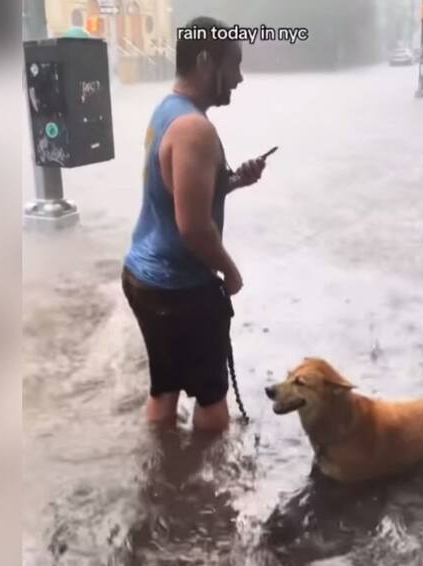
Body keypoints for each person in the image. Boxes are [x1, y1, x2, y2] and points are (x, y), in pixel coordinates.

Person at [122, 16, 267, 432]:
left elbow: (176, 196)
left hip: (144, 279)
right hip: (178, 287)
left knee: (164, 388)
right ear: (206, 60)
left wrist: (234, 180)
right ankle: (205, 492)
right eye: (234, 65)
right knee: (212, 401)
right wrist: (231, 272)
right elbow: (194, 228)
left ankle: (163, 478)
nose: (239, 78)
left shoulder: (167, 111)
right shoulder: (195, 130)